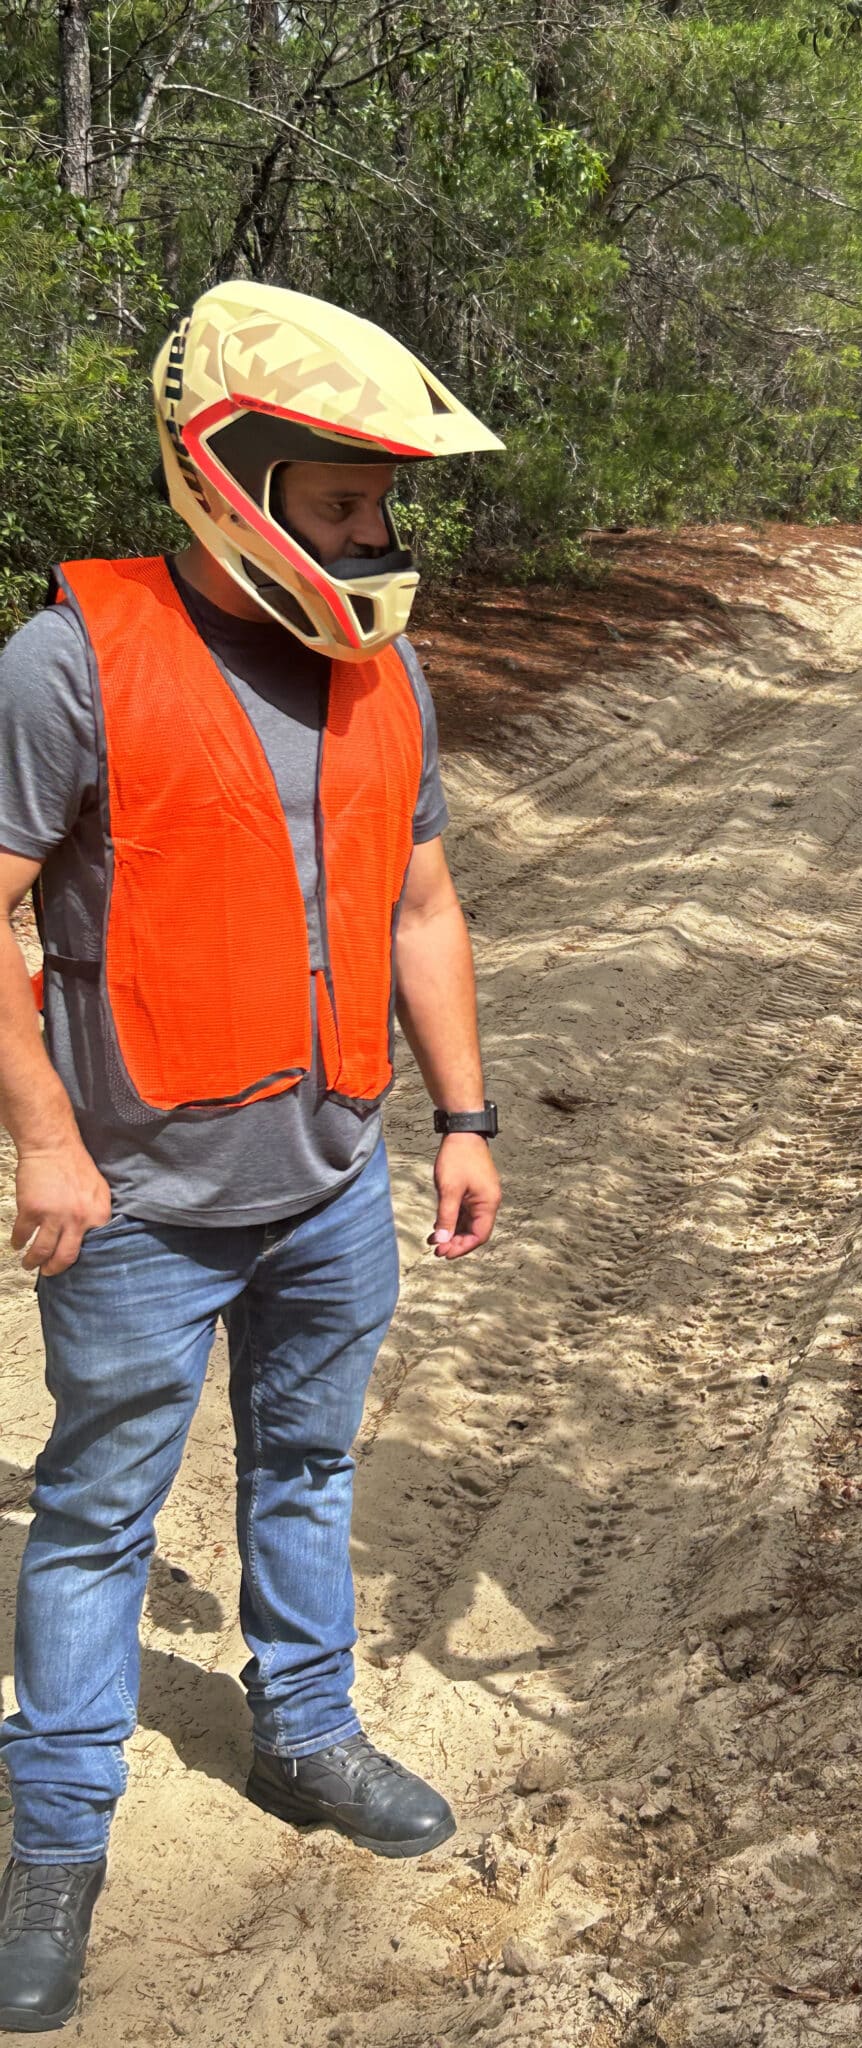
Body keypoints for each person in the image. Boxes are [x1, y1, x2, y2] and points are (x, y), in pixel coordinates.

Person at [0, 281, 506, 2031]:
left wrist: (462, 1112)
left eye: (383, 504)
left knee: (305, 1471)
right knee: (93, 1523)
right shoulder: (68, 659)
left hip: (330, 1182)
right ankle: (57, 1840)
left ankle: (307, 1734)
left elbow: (422, 898)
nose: (373, 536)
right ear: (236, 477)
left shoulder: (385, 667)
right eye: (346, 500)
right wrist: (46, 1145)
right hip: (135, 1205)